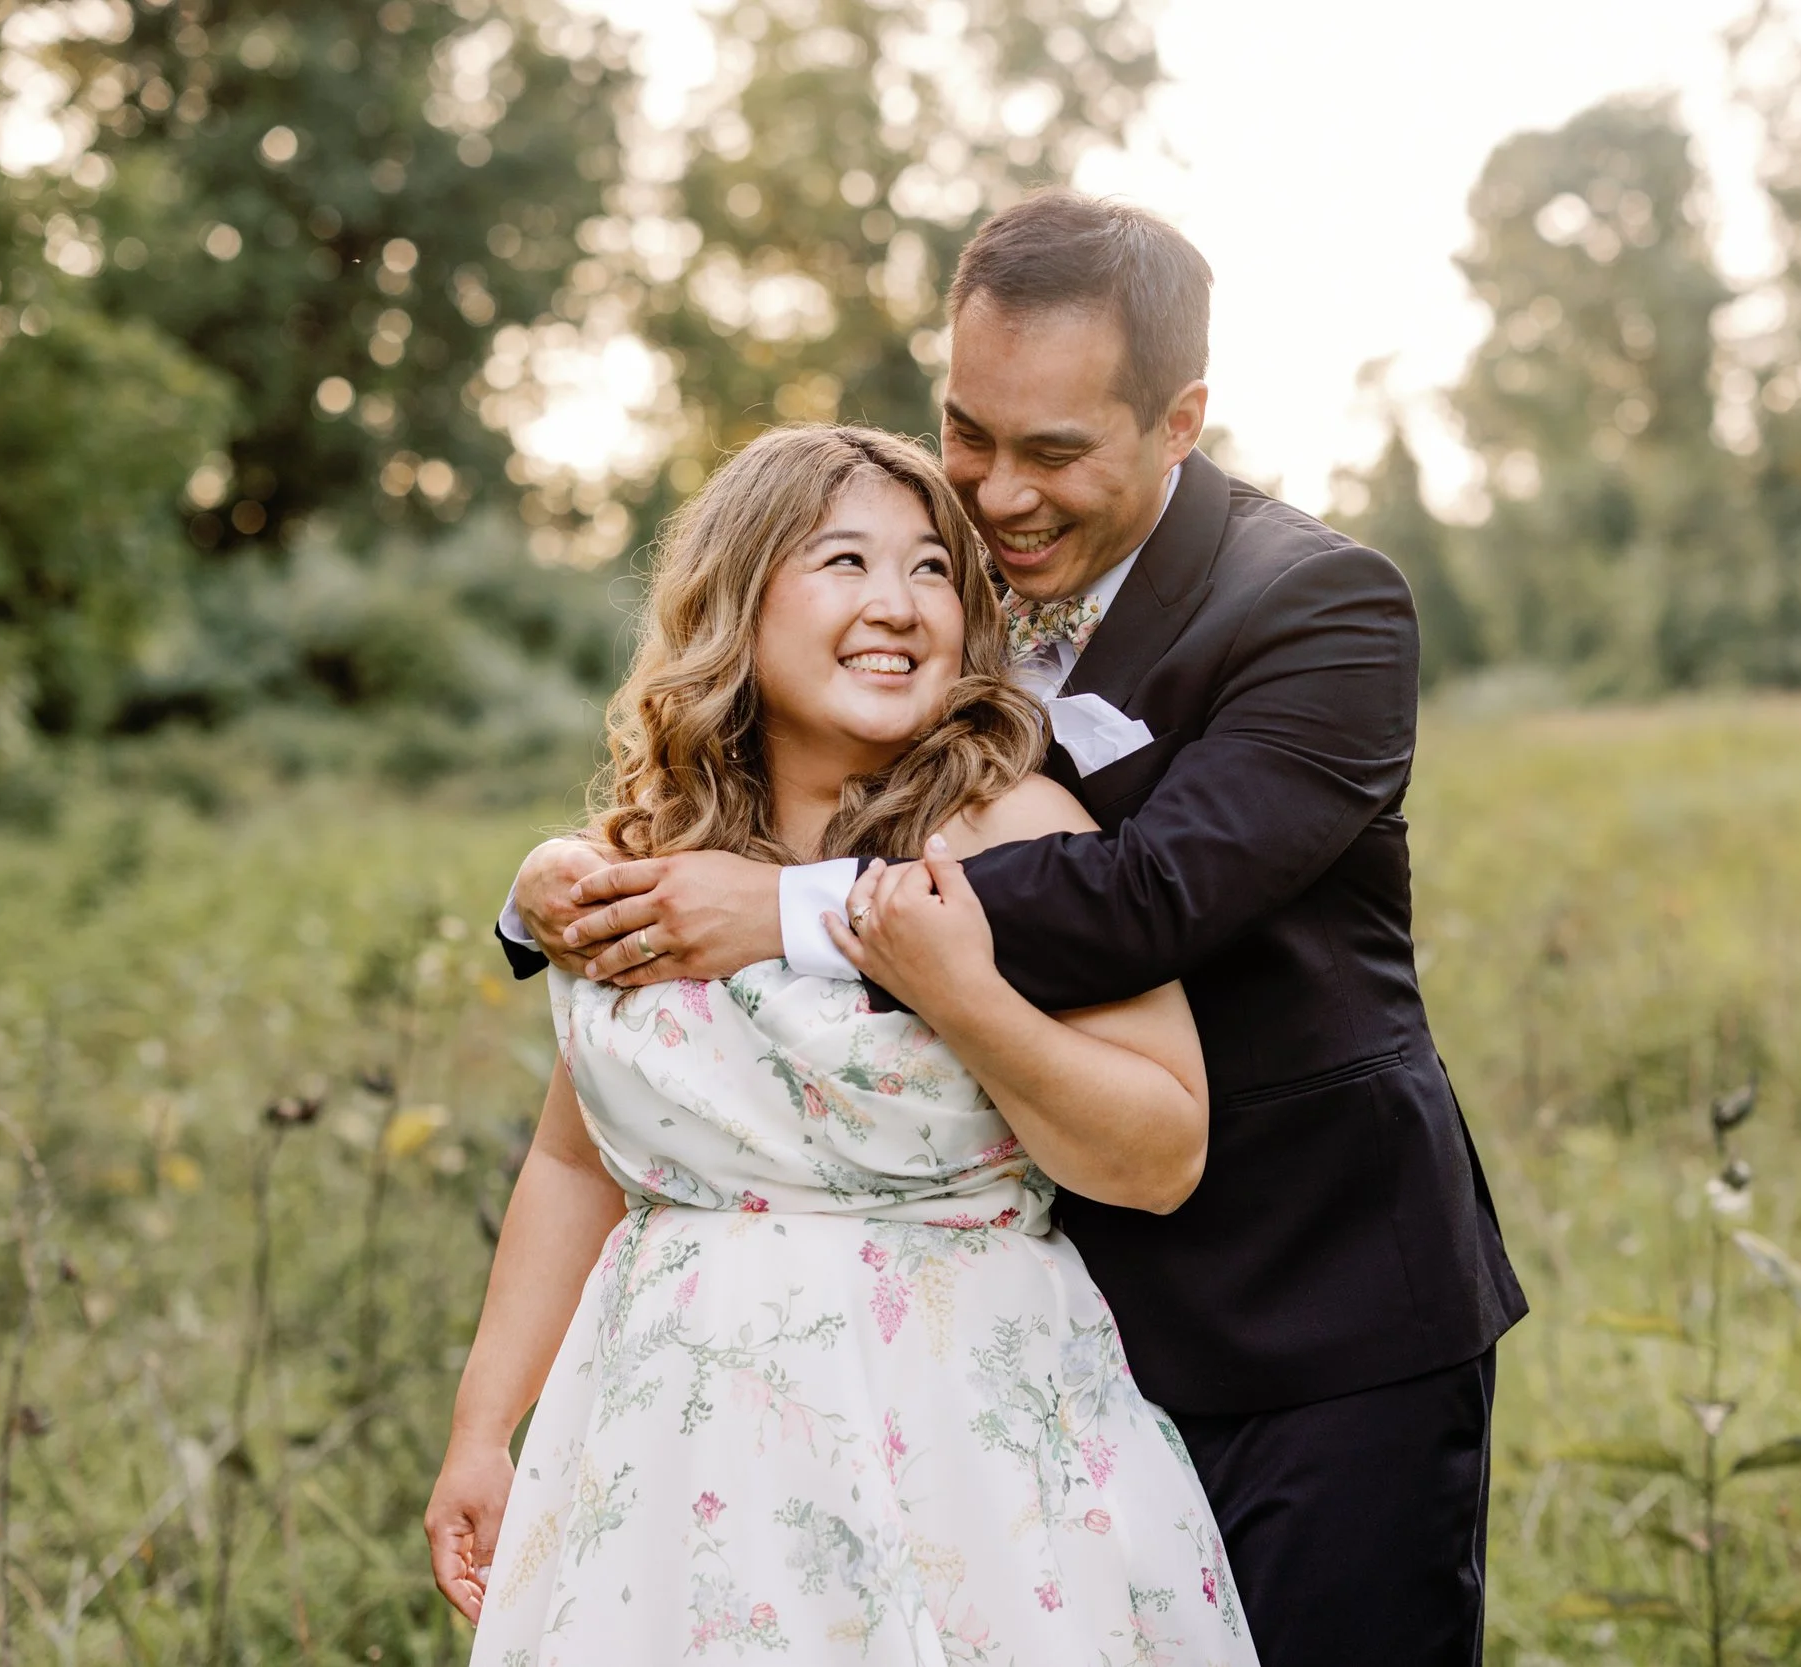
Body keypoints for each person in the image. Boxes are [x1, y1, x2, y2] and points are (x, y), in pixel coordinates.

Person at [499, 192, 1527, 1665]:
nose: (994, 494)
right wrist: (553, 885)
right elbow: (763, 742)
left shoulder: (1318, 606)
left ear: (1179, 422)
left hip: (1306, 1310)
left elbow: (1152, 892)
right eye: (967, 433)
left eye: (1052, 451)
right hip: (1022, 1337)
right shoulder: (936, 567)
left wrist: (782, 915)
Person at [425, 424, 1257, 1665]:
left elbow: (1161, 1150)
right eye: (846, 561)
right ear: (738, 599)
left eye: (931, 568)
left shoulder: (1013, 828)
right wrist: (484, 1427)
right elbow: (575, 1158)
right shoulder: (651, 852)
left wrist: (960, 991)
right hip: (673, 1454)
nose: (899, 604)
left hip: (954, 1445)